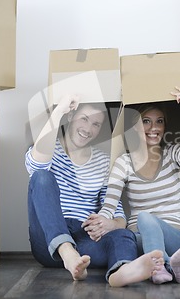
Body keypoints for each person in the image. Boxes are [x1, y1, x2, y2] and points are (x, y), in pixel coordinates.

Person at [25, 93, 164, 287]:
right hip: (49, 244)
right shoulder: (48, 149)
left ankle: (120, 272)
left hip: (84, 240)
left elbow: (119, 217)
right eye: (84, 119)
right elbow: (37, 167)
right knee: (41, 176)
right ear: (71, 116)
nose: (88, 129)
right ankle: (66, 252)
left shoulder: (104, 162)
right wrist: (58, 111)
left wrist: (110, 224)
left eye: (96, 124)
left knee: (124, 235)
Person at [95, 86, 180, 285]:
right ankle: (172, 266)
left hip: (175, 238)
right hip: (140, 239)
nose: (154, 128)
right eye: (146, 121)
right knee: (126, 237)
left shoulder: (173, 153)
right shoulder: (124, 163)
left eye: (159, 122)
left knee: (146, 217)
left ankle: (159, 267)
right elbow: (109, 205)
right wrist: (100, 222)